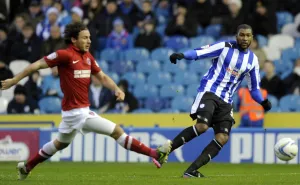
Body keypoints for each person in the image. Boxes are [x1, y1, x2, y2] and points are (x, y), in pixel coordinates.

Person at [1, 22, 169, 181]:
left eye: (89, 37)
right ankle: (155, 154)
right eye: (84, 37)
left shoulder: (87, 57)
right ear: (74, 39)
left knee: (60, 144)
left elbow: (102, 77)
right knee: (116, 131)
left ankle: (27, 167)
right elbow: (35, 66)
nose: (89, 41)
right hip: (77, 112)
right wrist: (14, 80)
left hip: (72, 113)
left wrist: (116, 89)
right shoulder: (64, 55)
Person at [152, 24, 272, 177]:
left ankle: (191, 171)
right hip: (210, 91)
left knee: (223, 137)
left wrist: (262, 102)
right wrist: (183, 55)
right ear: (236, 36)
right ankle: (166, 150)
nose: (245, 38)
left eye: (248, 35)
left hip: (226, 101)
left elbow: (254, 88)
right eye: (242, 35)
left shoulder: (253, 60)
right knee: (202, 126)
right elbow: (200, 52)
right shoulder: (224, 47)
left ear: (252, 38)